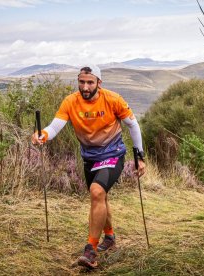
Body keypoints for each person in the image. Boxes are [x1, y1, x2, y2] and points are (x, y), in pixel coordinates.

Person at [31, 64, 146, 269]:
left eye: (90, 82)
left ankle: (90, 251)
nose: (85, 87)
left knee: (96, 192)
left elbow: (133, 124)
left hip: (112, 154)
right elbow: (55, 125)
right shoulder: (71, 101)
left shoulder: (113, 99)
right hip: (89, 158)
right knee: (100, 197)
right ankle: (109, 238)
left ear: (98, 83)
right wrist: (44, 135)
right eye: (81, 82)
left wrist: (140, 156)